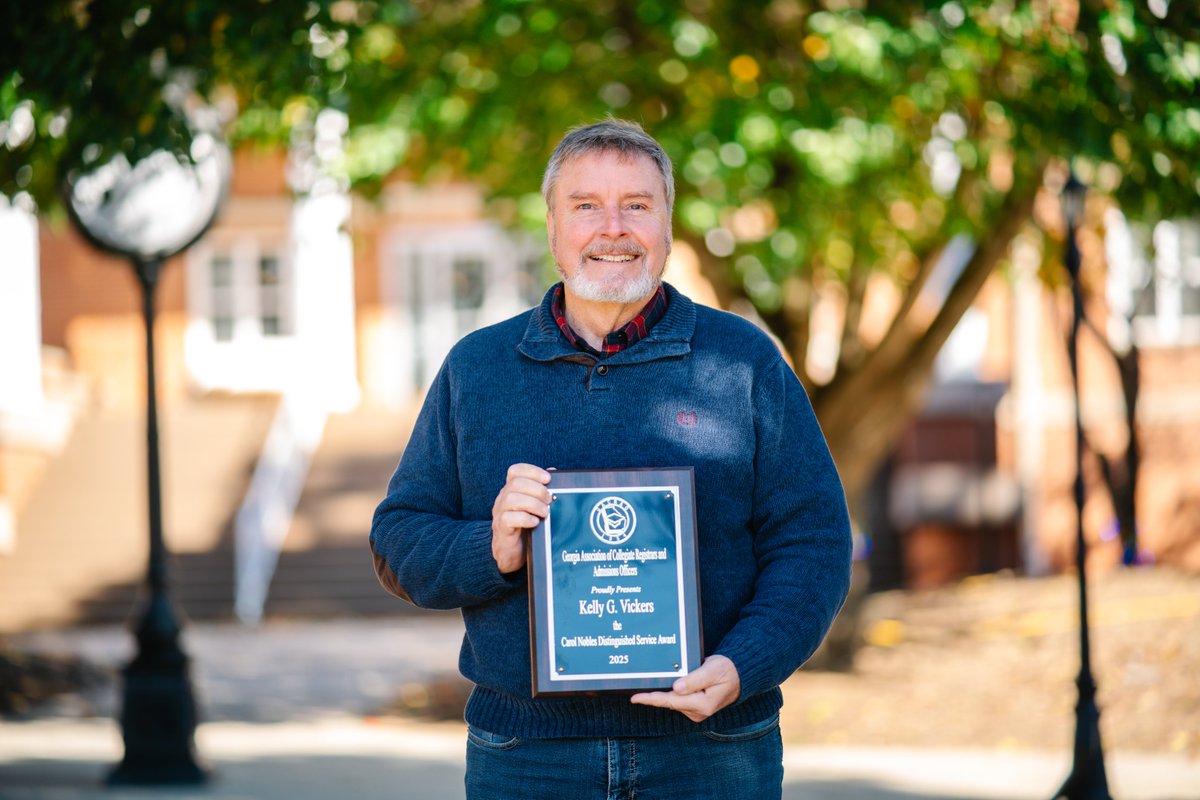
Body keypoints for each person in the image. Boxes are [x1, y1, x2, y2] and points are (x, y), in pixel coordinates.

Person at [370, 119, 852, 799]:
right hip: (527, 756)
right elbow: (399, 542)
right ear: (552, 227)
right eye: (586, 205)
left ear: (668, 225)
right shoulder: (477, 370)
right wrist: (494, 547)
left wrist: (746, 664)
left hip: (712, 748)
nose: (613, 228)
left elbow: (814, 542)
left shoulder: (740, 361)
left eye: (637, 204)